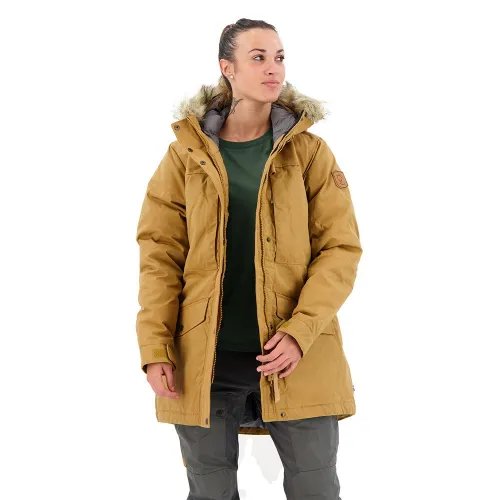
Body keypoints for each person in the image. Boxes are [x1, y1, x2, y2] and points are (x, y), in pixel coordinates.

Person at [135, 17, 363, 500]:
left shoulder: (309, 153)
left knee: (317, 491)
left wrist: (300, 332)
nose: (273, 68)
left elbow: (340, 250)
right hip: (206, 360)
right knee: (210, 493)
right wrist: (155, 347)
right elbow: (159, 256)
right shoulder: (185, 156)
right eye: (258, 58)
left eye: (278, 57)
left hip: (297, 356)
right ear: (228, 68)